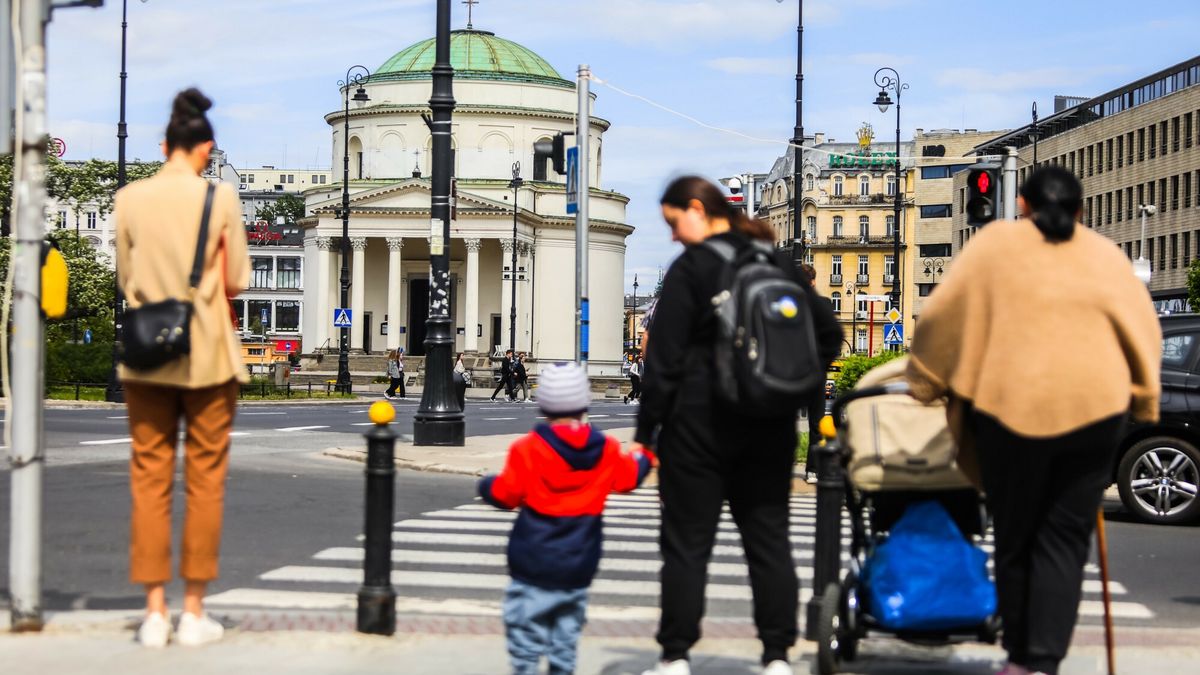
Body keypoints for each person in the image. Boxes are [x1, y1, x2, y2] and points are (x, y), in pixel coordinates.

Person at [906, 166, 1161, 675]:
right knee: (1063, 540)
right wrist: (1143, 398)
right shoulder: (1105, 256)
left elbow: (940, 316)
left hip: (1008, 409)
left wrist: (925, 383)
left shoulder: (994, 246)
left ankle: (1020, 658)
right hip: (1094, 412)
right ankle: (1042, 662)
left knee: (1017, 534)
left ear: (1021, 203)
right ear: (1081, 211)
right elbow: (1143, 328)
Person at [633, 176, 842, 675]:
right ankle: (775, 657)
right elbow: (829, 333)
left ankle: (677, 656)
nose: (672, 236)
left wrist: (645, 437)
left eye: (673, 222)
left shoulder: (693, 268)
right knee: (768, 542)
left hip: (697, 430)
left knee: (687, 546)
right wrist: (790, 388)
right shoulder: (776, 262)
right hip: (768, 429)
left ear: (698, 210)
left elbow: (661, 363)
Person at [115, 88, 249, 648]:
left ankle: (152, 613)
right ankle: (193, 612)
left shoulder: (129, 198)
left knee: (149, 481)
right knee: (204, 482)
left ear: (165, 144)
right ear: (206, 148)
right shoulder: (221, 200)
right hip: (210, 354)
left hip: (147, 354)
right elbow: (238, 279)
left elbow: (126, 280)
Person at [478, 363, 655, 675]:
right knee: (565, 639)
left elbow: (506, 495)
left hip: (533, 561)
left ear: (544, 406)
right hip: (578, 563)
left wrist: (486, 485)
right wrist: (646, 456)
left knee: (526, 639)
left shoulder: (528, 449)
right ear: (584, 403)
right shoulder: (607, 449)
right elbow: (628, 478)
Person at [799, 263, 830, 480]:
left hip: (788, 370)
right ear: (814, 281)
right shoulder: (824, 304)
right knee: (817, 423)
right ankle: (812, 469)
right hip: (816, 370)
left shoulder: (785, 303)